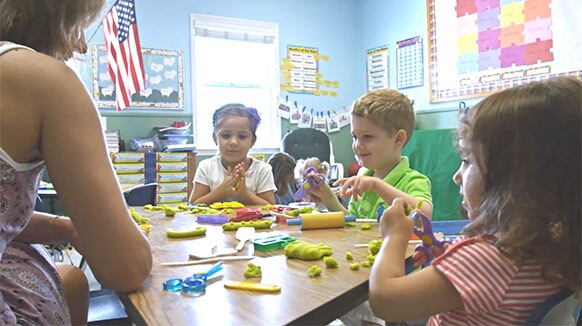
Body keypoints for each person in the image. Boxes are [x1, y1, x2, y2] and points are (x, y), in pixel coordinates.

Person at [369, 77, 581, 324]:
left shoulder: (492, 258)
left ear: (516, 181)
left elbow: (385, 302)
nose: (457, 176)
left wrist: (394, 237)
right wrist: (452, 262)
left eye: (468, 160)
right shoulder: (556, 243)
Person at [0, 1, 153, 325]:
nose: (81, 44)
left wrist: (66, 227)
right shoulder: (40, 78)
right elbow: (126, 268)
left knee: (70, 279)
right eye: (79, 26)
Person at [309, 88, 433, 220]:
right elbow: (355, 223)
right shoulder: (363, 175)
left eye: (367, 137)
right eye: (355, 137)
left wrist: (377, 186)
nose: (357, 145)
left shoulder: (414, 181)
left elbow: (424, 215)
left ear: (398, 139)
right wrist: (327, 197)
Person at [189, 104, 276, 205]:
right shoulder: (206, 167)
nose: (233, 142)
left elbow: (271, 207)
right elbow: (193, 204)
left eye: (242, 136)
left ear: (252, 141)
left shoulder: (262, 170)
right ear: (215, 138)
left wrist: (245, 193)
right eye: (226, 136)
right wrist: (220, 192)